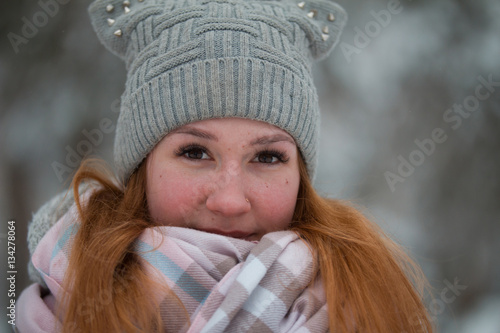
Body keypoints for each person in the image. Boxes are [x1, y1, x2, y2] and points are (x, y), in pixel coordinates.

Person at [17, 0, 434, 332]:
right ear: (142, 166)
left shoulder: (369, 308)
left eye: (267, 157)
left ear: (300, 177)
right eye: (195, 152)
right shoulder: (61, 312)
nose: (230, 201)